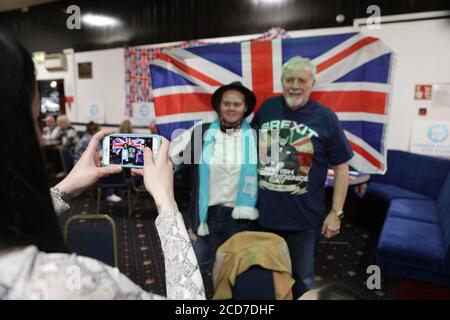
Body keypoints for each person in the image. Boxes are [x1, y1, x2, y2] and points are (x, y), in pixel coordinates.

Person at [0, 31, 205, 300]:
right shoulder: (68, 285)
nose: (40, 135)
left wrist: (64, 189)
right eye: (36, 120)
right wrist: (167, 203)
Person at [251, 56, 353, 298]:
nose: (295, 85)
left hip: (304, 220)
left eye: (302, 80)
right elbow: (248, 149)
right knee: (265, 277)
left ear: (312, 83)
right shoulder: (267, 108)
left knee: (303, 279)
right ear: (282, 81)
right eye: (289, 79)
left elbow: (341, 167)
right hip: (264, 215)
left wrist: (336, 213)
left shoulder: (326, 117)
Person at [176, 82, 259, 296]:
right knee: (198, 268)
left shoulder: (258, 138)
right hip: (206, 216)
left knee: (236, 269)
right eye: (227, 103)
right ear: (219, 106)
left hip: (240, 218)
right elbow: (179, 164)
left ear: (245, 108)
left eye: (237, 104)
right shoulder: (202, 133)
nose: (231, 108)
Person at [75, 121, 122, 203]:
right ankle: (109, 193)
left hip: (80, 162)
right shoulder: (90, 140)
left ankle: (110, 191)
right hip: (82, 165)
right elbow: (99, 153)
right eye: (98, 129)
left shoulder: (88, 137)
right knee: (108, 167)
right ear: (94, 130)